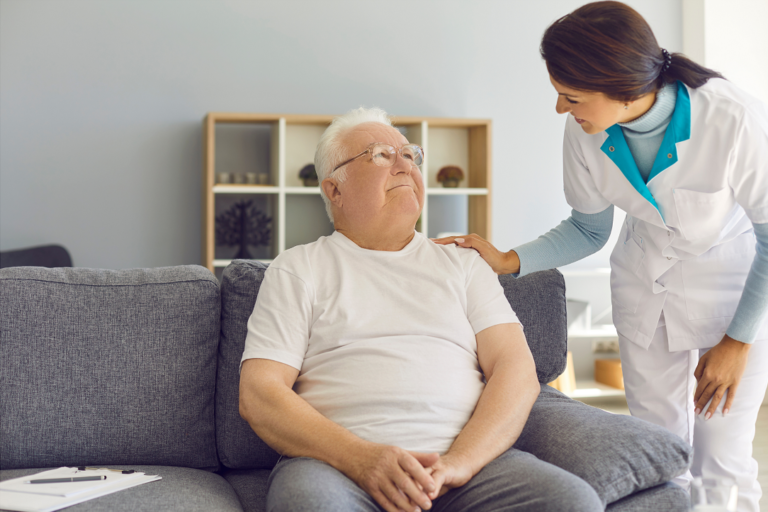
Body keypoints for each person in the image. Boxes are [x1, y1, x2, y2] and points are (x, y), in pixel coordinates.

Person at [433, 2, 768, 511]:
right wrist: (507, 260)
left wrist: (738, 342)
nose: (562, 110)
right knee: (656, 450)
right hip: (645, 289)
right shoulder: (586, 131)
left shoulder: (729, 117)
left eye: (571, 96)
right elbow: (588, 229)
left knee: (721, 459)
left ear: (624, 88)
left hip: (732, 296)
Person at [238, 107, 604, 512]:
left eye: (410, 155)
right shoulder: (299, 267)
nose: (403, 164)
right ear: (334, 190)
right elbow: (260, 393)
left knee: (571, 502)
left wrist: (458, 464)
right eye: (380, 154)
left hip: (467, 467)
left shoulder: (463, 263)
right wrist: (361, 459)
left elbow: (516, 371)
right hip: (338, 468)